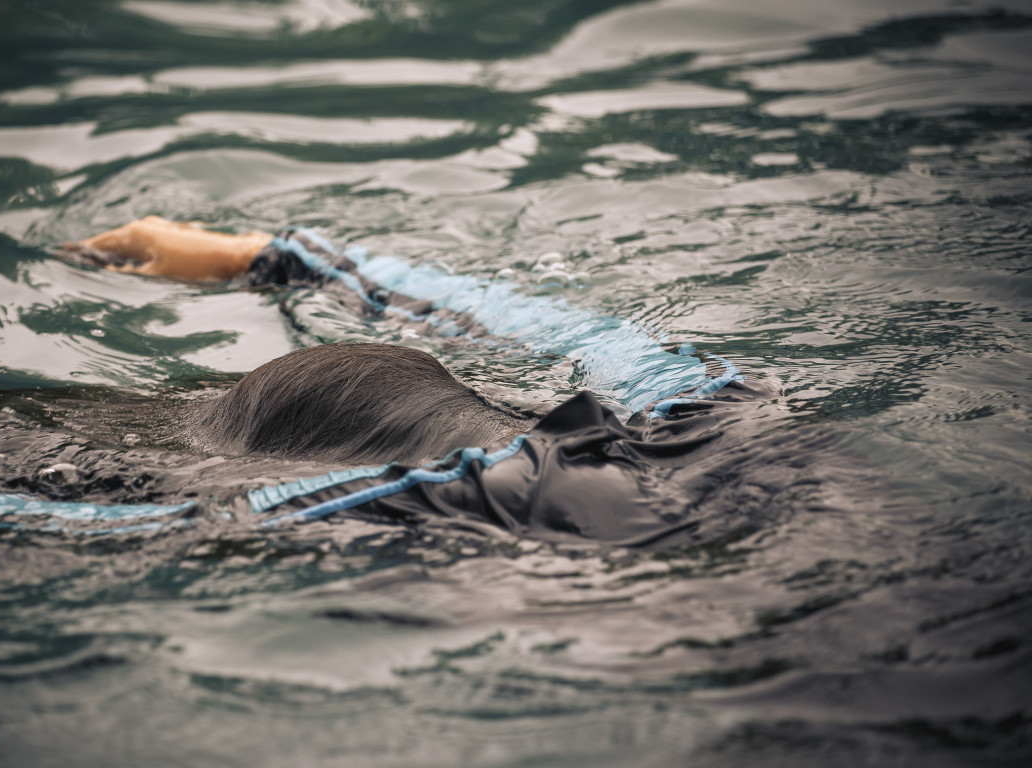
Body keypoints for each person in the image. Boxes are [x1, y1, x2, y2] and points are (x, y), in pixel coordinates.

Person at [58, 217, 761, 545]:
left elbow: (146, 522)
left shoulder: (457, 500)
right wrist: (270, 255)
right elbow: (578, 334)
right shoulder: (718, 411)